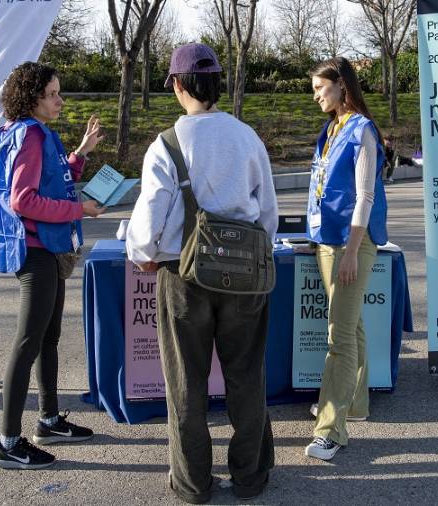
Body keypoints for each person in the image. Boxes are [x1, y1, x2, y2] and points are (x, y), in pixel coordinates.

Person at [126, 43, 278, 504]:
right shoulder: (247, 136)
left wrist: (143, 253)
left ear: (176, 84)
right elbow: (266, 214)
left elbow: (149, 218)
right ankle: (250, 477)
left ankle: (193, 483)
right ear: (216, 85)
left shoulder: (168, 143)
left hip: (184, 276)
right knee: (247, 376)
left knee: (186, 381)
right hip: (246, 278)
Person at [0, 62, 106, 470]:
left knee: (47, 338)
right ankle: (7, 442)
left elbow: (55, 178)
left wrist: (81, 154)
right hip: (37, 252)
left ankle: (49, 420)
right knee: (27, 344)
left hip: (43, 250)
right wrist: (80, 209)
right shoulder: (33, 136)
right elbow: (23, 200)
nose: (59, 99)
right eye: (53, 93)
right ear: (32, 97)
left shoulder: (23, 131)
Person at [304, 56, 388, 461]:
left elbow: (365, 196)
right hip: (327, 240)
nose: (317, 96)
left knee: (339, 334)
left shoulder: (361, 131)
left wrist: (353, 250)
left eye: (321, 89)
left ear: (342, 86)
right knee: (350, 328)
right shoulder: (332, 128)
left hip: (351, 243)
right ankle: (355, 403)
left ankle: (331, 428)